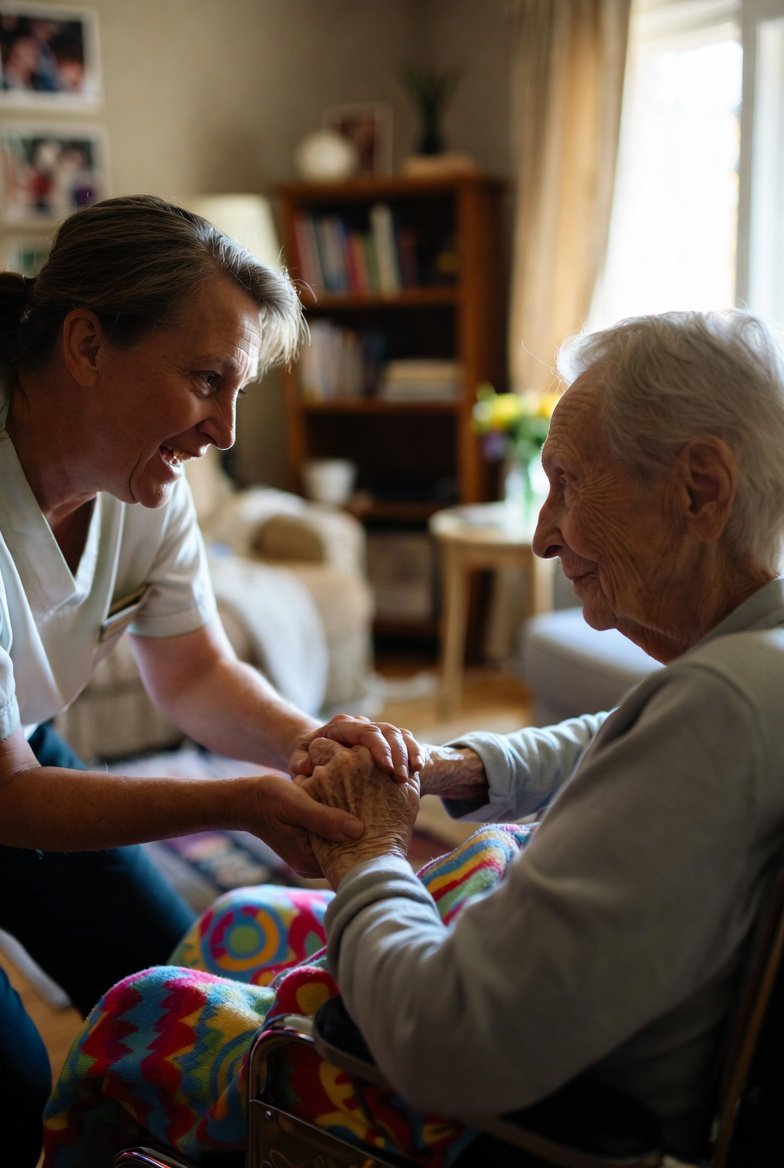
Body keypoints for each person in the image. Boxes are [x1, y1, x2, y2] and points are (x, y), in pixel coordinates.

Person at [42, 308, 784, 1166]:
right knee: (239, 913)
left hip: (504, 1116)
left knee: (146, 1008)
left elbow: (446, 1044)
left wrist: (368, 852)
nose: (546, 535)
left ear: (701, 488)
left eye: (570, 485)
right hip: (546, 1028)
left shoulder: (718, 713)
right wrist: (449, 768)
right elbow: (621, 733)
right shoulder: (747, 672)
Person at [0, 193, 420, 1167]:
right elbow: (8, 798)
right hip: (10, 777)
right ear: (87, 344)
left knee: (177, 998)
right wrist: (240, 799)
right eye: (204, 381)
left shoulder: (144, 482)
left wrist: (308, 742)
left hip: (20, 740)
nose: (224, 433)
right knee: (15, 1087)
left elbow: (192, 671)